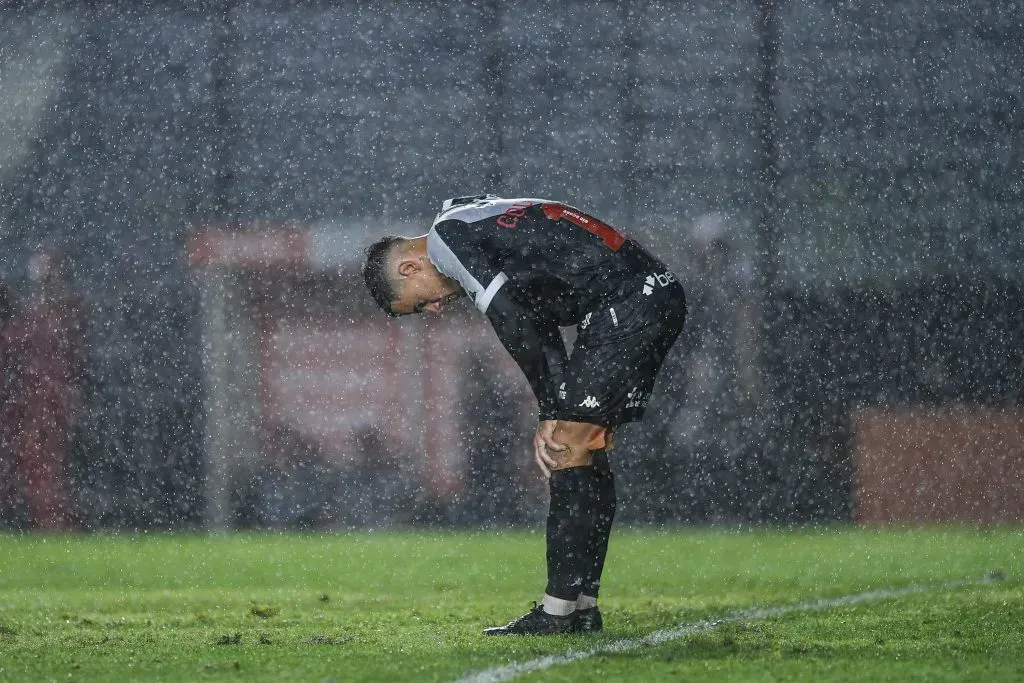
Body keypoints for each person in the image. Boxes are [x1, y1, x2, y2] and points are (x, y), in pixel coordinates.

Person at [361, 195, 686, 635]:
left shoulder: (445, 242)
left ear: (409, 268)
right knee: (583, 450)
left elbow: (512, 319)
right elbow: (533, 315)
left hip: (626, 302)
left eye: (418, 305)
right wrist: (555, 401)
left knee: (565, 449)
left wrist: (550, 407)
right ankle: (581, 608)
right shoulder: (466, 220)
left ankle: (557, 615)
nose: (434, 310)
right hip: (643, 293)